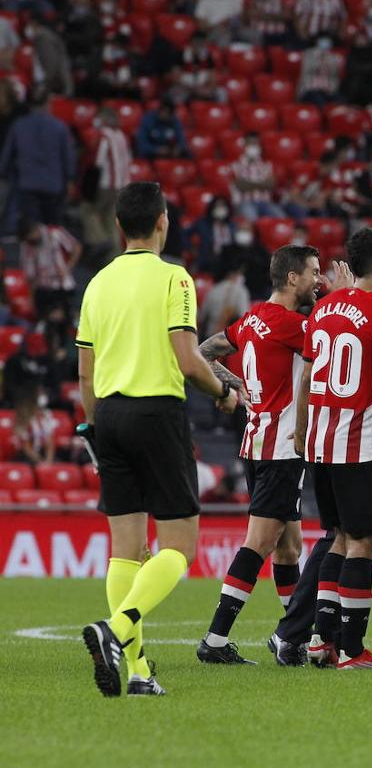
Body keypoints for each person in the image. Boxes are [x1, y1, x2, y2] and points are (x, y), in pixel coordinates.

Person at [78, 182, 242, 697]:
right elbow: (188, 360)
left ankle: (140, 673)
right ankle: (116, 628)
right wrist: (224, 393)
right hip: (157, 413)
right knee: (179, 546)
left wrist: (95, 425)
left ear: (120, 228)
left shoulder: (97, 283)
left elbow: (86, 374)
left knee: (124, 550)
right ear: (163, 222)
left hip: (108, 415)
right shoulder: (175, 278)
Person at [295, 228, 372, 670]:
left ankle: (320, 639)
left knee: (338, 540)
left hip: (319, 442)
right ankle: (352, 649)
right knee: (364, 541)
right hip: (358, 444)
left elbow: (308, 378)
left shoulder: (325, 306)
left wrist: (299, 431)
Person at [195, 245, 323, 664]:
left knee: (289, 547)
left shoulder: (251, 320)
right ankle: (215, 640)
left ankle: (292, 641)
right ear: (292, 278)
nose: (318, 280)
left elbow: (202, 353)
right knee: (259, 544)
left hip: (256, 443)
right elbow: (334, 340)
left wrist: (233, 387)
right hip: (282, 448)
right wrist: (334, 299)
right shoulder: (291, 325)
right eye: (313, 273)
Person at [0, 88, 75, 227]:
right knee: (52, 228)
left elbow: (7, 155)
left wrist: (4, 173)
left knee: (32, 229)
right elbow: (68, 156)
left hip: (28, 184)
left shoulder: (19, 125)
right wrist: (70, 178)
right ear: (48, 103)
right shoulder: (59, 127)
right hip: (53, 185)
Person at [86, 107, 132, 256]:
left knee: (88, 211)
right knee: (110, 219)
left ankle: (100, 241)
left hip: (106, 184)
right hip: (122, 185)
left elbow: (98, 161)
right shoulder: (122, 136)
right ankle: (115, 255)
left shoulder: (103, 136)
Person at [19, 217, 80, 318]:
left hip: (62, 285)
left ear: (35, 230)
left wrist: (68, 267)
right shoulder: (26, 245)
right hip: (42, 289)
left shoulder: (55, 233)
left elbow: (77, 247)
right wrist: (31, 298)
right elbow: (30, 276)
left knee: (63, 318)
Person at [298, 34, 342, 105]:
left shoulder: (333, 57)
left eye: (327, 41)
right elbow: (307, 70)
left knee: (340, 100)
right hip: (310, 89)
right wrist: (320, 59)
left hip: (327, 90)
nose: (325, 43)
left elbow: (334, 76)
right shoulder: (308, 54)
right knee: (319, 99)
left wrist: (330, 62)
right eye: (323, 40)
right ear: (317, 42)